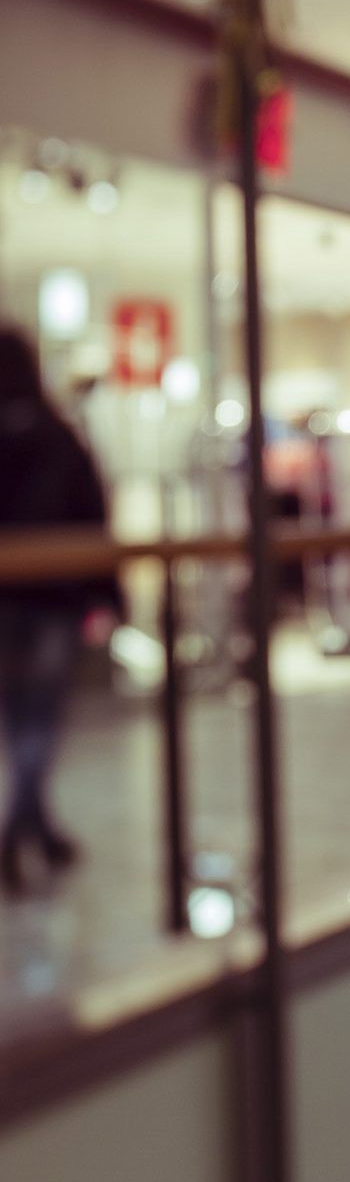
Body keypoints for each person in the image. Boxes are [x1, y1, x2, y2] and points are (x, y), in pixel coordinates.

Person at [0, 328, 116, 893]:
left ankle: (31, 827)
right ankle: (24, 828)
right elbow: (92, 516)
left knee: (19, 722)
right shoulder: (57, 436)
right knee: (37, 721)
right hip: (49, 602)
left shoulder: (55, 437)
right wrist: (107, 596)